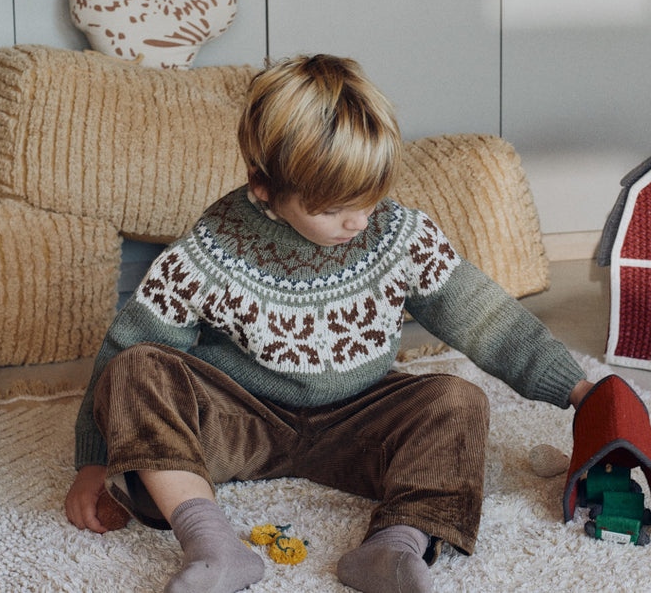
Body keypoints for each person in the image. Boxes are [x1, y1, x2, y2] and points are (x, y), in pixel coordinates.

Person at [65, 54, 594, 593]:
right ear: (263, 184)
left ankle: (395, 545)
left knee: (459, 402)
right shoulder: (214, 246)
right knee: (136, 368)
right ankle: (213, 545)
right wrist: (94, 461)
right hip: (240, 420)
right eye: (335, 207)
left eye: (369, 197)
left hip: (358, 421)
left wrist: (577, 388)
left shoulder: (398, 234)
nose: (358, 221)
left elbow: (486, 316)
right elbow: (128, 350)